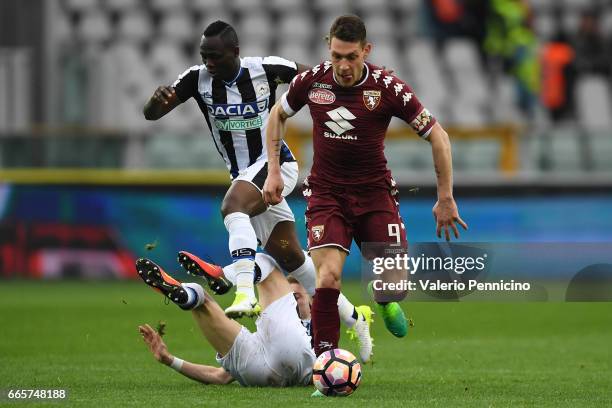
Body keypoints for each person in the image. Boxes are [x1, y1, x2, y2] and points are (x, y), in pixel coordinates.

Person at [263, 15, 468, 356]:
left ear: (366, 51)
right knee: (327, 277)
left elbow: (439, 137)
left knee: (395, 285)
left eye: (351, 57)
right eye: (336, 56)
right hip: (327, 193)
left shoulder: (388, 88)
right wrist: (273, 171)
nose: (342, 65)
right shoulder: (312, 82)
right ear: (329, 50)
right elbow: (277, 115)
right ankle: (324, 361)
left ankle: (384, 299)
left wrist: (445, 197)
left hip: (375, 195)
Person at [143, 20, 312, 318]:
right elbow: (153, 115)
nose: (209, 62)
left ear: (235, 51)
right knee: (291, 256)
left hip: (275, 165)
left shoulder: (265, 68)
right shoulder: (197, 78)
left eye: (215, 56)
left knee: (232, 206)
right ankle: (356, 318)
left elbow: (315, 77)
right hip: (243, 176)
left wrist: (365, 81)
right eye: (203, 55)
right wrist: (154, 104)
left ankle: (244, 291)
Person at [136, 252, 368, 386]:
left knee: (264, 261)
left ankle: (224, 276)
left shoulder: (319, 326)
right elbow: (220, 377)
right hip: (258, 369)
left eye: (297, 289)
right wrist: (170, 360)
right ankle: (187, 296)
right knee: (200, 298)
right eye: (291, 289)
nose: (293, 292)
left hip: (294, 354)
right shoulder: (306, 326)